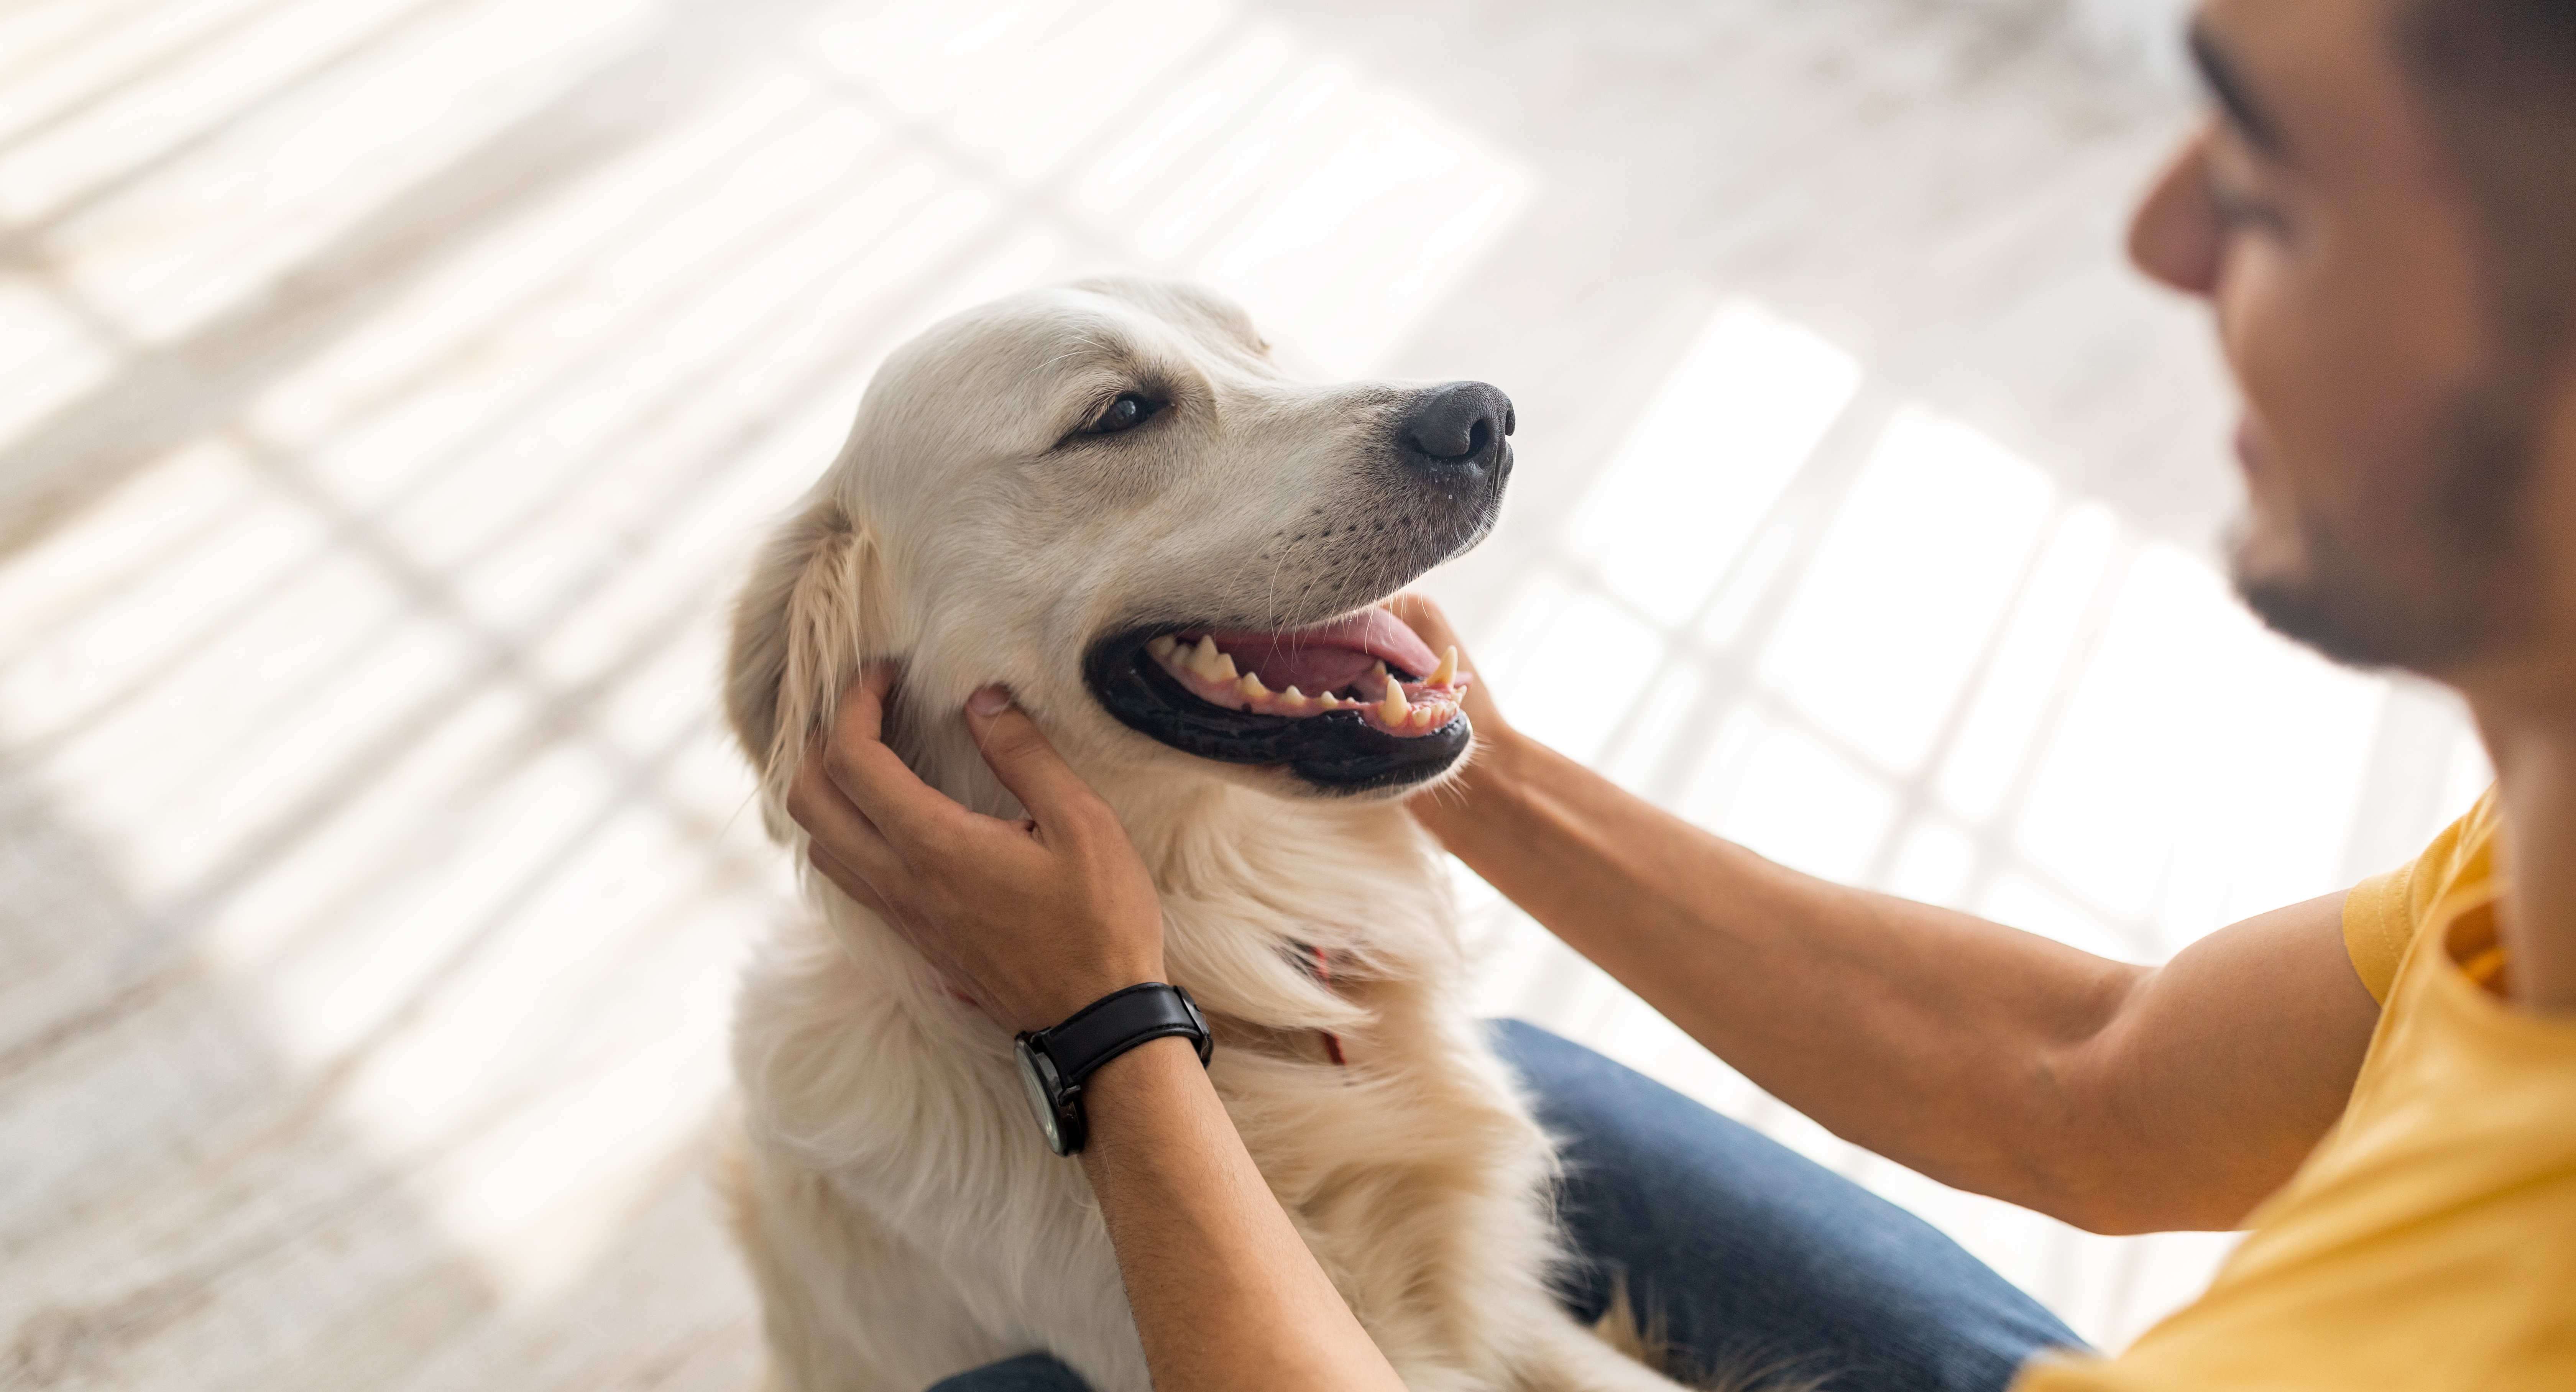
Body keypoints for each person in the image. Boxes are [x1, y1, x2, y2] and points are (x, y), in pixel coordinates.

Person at [780, 0, 2576, 1387]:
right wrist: (1453, 762)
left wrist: (1109, 1037)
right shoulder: (2521, 860)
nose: (2159, 235)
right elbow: (2083, 1074)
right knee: (1505, 1081)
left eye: (2270, 166)